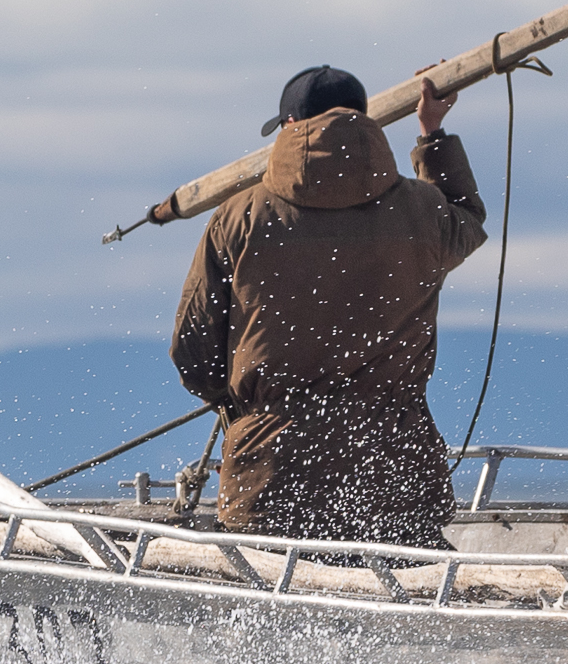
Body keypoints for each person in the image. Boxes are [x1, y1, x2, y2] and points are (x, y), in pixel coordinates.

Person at [169, 65, 487, 548]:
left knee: (273, 608)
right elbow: (468, 217)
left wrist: (248, 413)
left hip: (270, 473)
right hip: (395, 469)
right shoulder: (424, 211)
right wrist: (431, 131)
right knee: (407, 611)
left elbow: (194, 350)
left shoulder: (238, 216)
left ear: (289, 126)